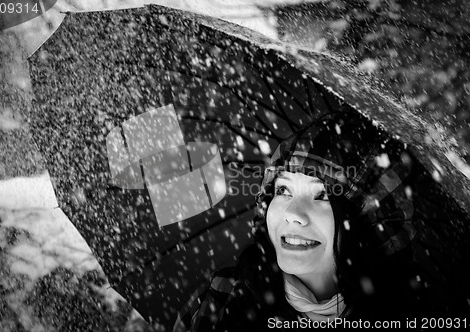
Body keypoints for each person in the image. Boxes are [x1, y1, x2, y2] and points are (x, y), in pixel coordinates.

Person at [173, 112, 448, 331]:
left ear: (368, 225)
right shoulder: (221, 297)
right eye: (283, 190)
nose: (293, 213)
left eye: (322, 195)